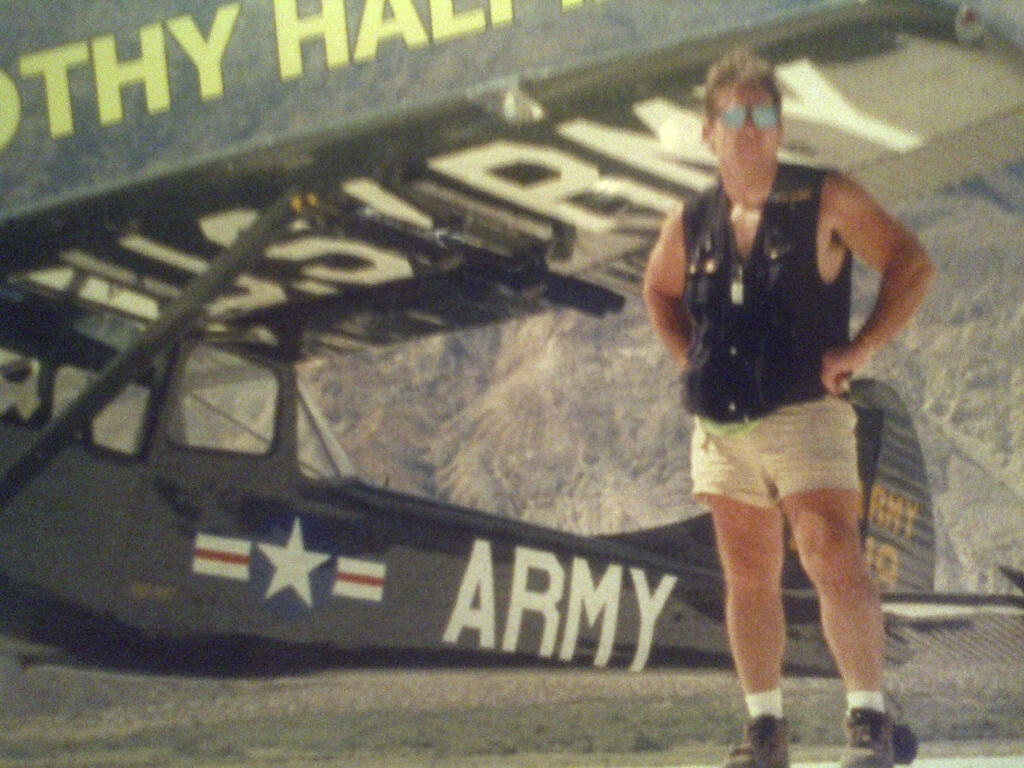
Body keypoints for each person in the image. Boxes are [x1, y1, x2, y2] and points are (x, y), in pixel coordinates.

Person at [642, 47, 935, 768]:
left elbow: (912, 262)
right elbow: (658, 291)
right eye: (733, 115)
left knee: (832, 552)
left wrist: (860, 348)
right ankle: (764, 729)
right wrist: (690, 360)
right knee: (747, 571)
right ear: (709, 131)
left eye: (762, 113)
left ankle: (867, 719)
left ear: (779, 126)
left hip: (806, 411)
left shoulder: (825, 198)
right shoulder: (691, 219)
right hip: (722, 427)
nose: (749, 128)